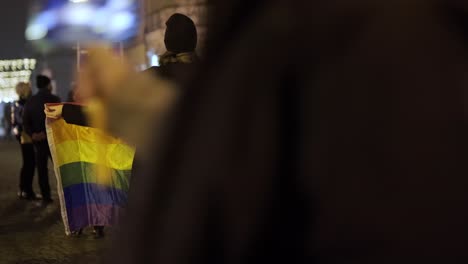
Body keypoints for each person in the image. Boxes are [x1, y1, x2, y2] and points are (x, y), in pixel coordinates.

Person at [23, 75, 60, 206]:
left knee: (42, 169)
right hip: (53, 140)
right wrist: (45, 133)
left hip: (38, 142)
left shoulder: (30, 101)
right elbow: (58, 121)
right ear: (48, 85)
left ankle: (46, 196)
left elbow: (25, 121)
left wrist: (33, 134)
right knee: (60, 169)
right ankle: (65, 195)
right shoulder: (54, 99)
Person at [11, 82, 36, 200]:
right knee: (30, 163)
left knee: (28, 163)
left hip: (22, 135)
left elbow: (14, 122)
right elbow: (22, 121)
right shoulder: (26, 103)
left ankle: (23, 189)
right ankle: (27, 190)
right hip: (27, 135)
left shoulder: (16, 104)